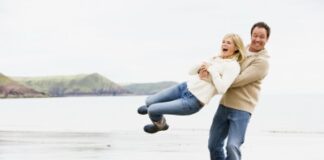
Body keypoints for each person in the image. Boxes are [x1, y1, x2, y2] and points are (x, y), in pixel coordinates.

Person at [137, 33, 246, 134]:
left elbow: (222, 88)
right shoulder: (215, 57)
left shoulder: (233, 66)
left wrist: (212, 70)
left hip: (192, 101)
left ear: (236, 47)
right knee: (149, 101)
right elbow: (191, 72)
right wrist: (202, 66)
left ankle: (160, 125)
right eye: (223, 41)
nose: (224, 44)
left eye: (228, 42)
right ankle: (152, 109)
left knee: (152, 110)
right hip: (184, 87)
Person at [207, 22, 271, 160]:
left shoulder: (262, 62)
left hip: (242, 109)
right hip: (224, 105)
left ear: (267, 39)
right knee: (213, 145)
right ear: (251, 35)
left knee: (232, 146)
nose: (257, 39)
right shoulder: (239, 51)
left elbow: (237, 81)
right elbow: (220, 64)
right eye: (255, 35)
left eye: (262, 37)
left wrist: (215, 77)